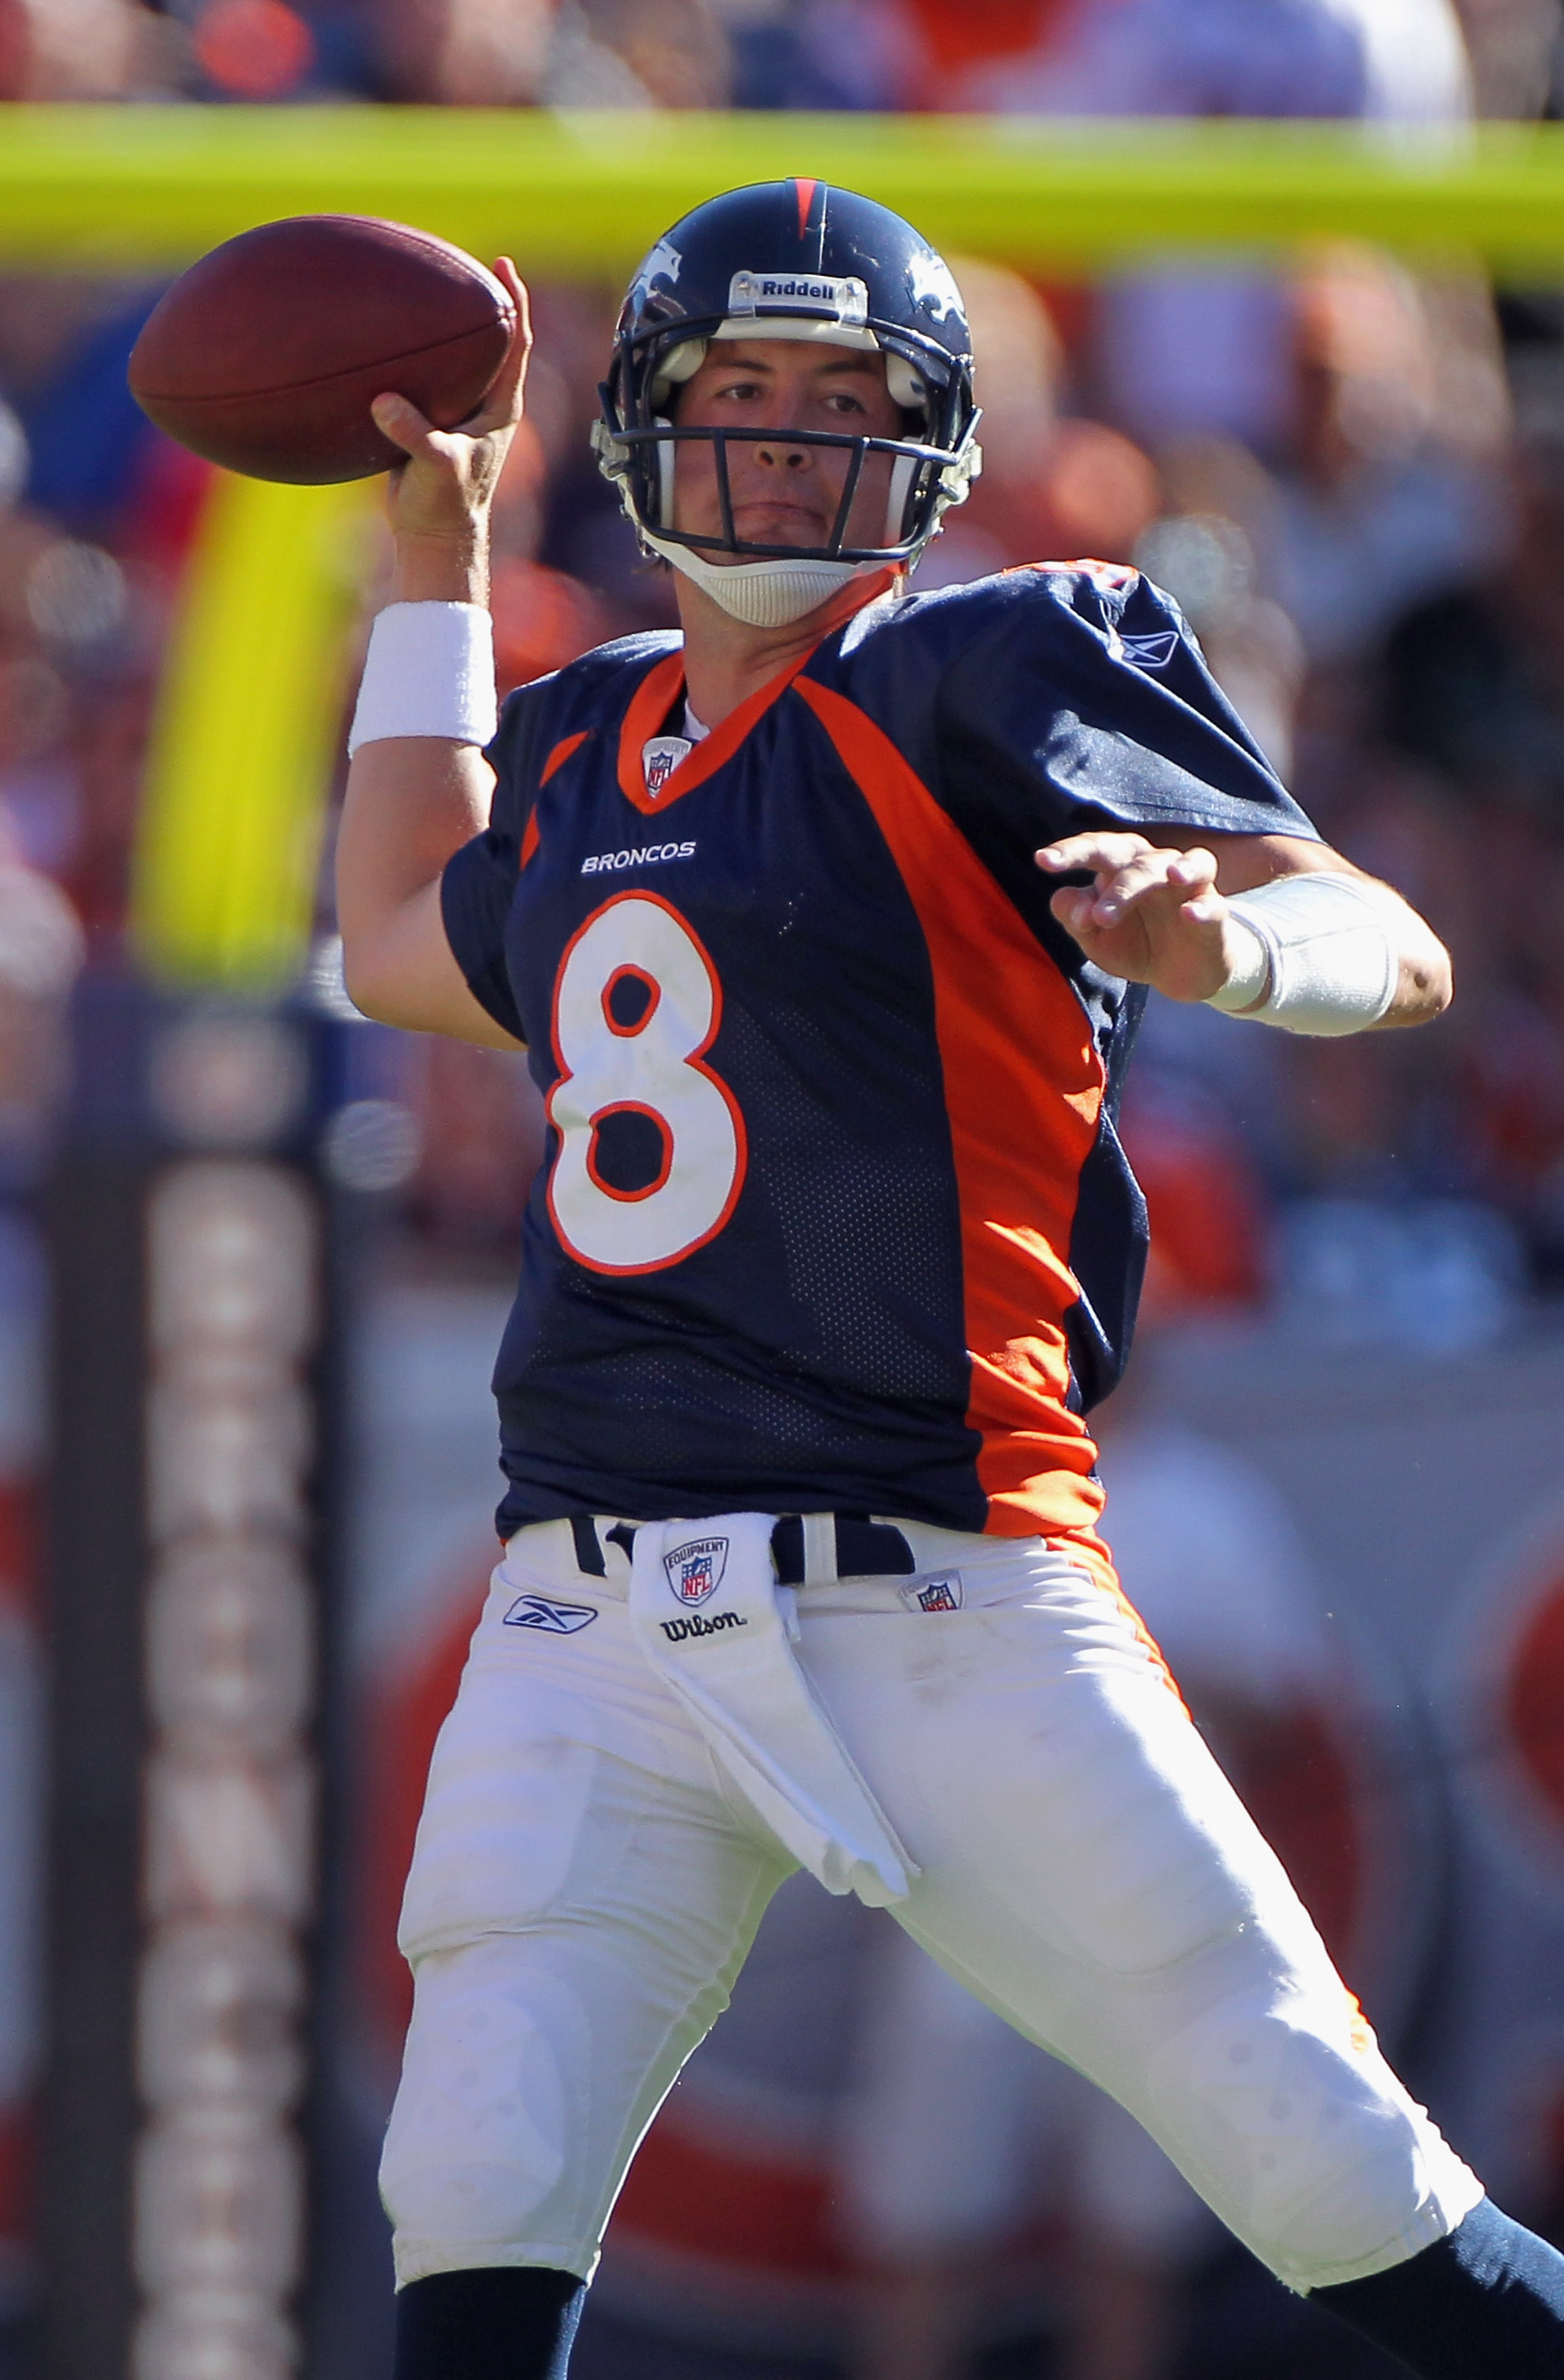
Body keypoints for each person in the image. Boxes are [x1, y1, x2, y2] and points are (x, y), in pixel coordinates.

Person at [335, 180, 1564, 2380]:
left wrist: (1214, 943)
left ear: (930, 442)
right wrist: (430, 566)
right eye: (742, 390)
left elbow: (1396, 944)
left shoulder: (987, 659)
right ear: (643, 425)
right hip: (590, 1604)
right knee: (471, 2198)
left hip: (941, 1573)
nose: (792, 438)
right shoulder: (594, 730)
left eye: (842, 397)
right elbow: (401, 941)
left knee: (1331, 2178)